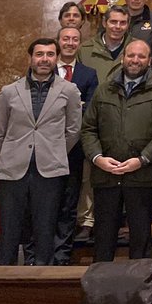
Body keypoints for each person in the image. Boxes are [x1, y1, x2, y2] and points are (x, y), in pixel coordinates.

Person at [0, 39, 81, 304]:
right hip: (13, 173)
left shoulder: (69, 91)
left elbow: (73, 130)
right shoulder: (8, 92)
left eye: (50, 54)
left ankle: (38, 302)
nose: (44, 59)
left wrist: (49, 153)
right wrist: (17, 154)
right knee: (9, 241)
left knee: (43, 238)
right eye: (39, 54)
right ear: (30, 58)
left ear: (57, 58)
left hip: (49, 173)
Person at [82, 39, 152, 261]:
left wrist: (142, 159)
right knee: (103, 239)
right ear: (123, 58)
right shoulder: (104, 89)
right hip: (106, 175)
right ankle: (100, 290)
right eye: (131, 55)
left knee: (141, 240)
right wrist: (98, 158)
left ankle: (139, 291)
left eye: (141, 56)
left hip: (143, 176)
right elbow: (88, 129)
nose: (135, 60)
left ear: (150, 61)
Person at [52, 26, 99, 263]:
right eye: (66, 39)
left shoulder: (88, 74)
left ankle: (62, 254)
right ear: (58, 41)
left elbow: (88, 109)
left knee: (70, 202)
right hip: (45, 147)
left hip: (74, 147)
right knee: (47, 201)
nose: (70, 43)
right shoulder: (45, 69)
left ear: (80, 43)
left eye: (75, 39)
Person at [78, 4, 130, 83]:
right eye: (113, 22)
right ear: (104, 23)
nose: (118, 26)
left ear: (128, 25)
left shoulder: (137, 50)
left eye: (123, 23)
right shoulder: (85, 50)